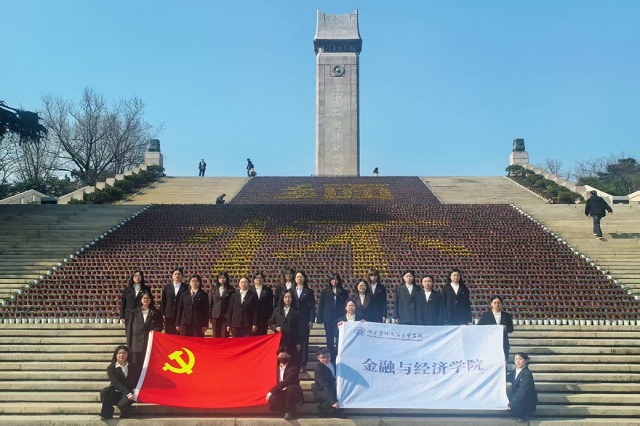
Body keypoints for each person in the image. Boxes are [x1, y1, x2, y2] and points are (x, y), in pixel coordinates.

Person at [317, 273, 349, 361]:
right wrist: (320, 319)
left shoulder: (344, 292)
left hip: (340, 318)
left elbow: (346, 305)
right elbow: (321, 305)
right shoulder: (324, 292)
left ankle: (339, 357)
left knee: (339, 339)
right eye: (332, 279)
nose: (334, 281)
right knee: (329, 340)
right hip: (328, 319)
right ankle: (330, 358)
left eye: (336, 279)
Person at [100, 345, 137, 420]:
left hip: (128, 392)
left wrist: (132, 391)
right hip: (116, 391)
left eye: (124, 353)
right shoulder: (111, 368)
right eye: (119, 353)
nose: (122, 355)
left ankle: (124, 412)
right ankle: (106, 414)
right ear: (116, 355)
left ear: (128, 354)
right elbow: (116, 383)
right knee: (105, 391)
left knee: (122, 405)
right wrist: (127, 393)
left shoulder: (133, 366)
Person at [126, 290, 163, 366]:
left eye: (148, 298)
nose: (146, 300)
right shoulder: (134, 312)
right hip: (136, 344)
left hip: (149, 343)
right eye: (144, 298)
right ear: (141, 299)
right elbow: (129, 329)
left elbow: (160, 326)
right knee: (136, 366)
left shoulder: (156, 313)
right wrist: (129, 345)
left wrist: (154, 331)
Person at [266, 347, 304, 420]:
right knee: (273, 397)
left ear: (289, 356)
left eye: (285, 356)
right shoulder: (275, 368)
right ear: (277, 356)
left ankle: (291, 411)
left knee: (290, 389)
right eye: (281, 356)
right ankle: (282, 410)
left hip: (292, 390)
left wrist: (272, 391)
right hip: (280, 390)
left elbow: (287, 381)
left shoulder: (294, 367)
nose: (283, 357)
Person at [291, 270, 315, 372]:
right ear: (295, 279)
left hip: (304, 320)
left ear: (304, 278)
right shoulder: (290, 291)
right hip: (293, 319)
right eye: (297, 277)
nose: (299, 279)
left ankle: (303, 364)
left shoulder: (309, 292)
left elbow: (312, 307)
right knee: (293, 340)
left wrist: (311, 320)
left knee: (304, 341)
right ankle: (294, 362)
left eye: (301, 277)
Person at [478, 295, 514, 362]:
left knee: (503, 362)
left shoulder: (506, 315)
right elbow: (479, 327)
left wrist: (506, 328)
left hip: (503, 343)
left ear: (501, 304)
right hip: (490, 343)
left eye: (499, 303)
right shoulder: (486, 315)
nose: (497, 304)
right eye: (495, 303)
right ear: (491, 303)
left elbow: (511, 329)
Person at [313, 347, 345, 418]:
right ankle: (322, 410)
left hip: (333, 387)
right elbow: (324, 385)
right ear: (318, 358)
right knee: (329, 403)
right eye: (323, 357)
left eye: (327, 356)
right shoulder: (319, 369)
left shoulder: (334, 364)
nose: (326, 359)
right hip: (322, 390)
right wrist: (333, 401)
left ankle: (339, 412)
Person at [270, 289, 302, 359]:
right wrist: (275, 327)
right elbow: (271, 322)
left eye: (290, 297)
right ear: (282, 298)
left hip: (292, 340)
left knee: (291, 359)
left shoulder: (296, 312)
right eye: (285, 297)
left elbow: (299, 328)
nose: (287, 299)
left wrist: (298, 342)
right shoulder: (277, 310)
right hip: (280, 339)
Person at [507, 352, 538, 421]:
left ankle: (524, 415)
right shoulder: (516, 370)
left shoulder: (527, 374)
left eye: (520, 359)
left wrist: (511, 404)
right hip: (518, 397)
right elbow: (505, 378)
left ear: (526, 360)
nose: (518, 361)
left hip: (526, 400)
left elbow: (522, 391)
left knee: (516, 407)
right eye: (516, 359)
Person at [161, 267, 188, 335]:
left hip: (181, 315)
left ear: (182, 276)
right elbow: (163, 301)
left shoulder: (186, 287)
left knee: (180, 335)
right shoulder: (167, 287)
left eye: (179, 274)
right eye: (175, 274)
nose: (177, 276)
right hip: (169, 315)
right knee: (169, 335)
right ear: (172, 276)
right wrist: (163, 313)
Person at [209, 271, 235, 337]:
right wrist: (210, 316)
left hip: (226, 316)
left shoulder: (231, 290)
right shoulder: (213, 289)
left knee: (225, 335)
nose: (222, 279)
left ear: (227, 279)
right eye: (220, 278)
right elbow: (210, 303)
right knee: (215, 335)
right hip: (215, 316)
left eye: (224, 278)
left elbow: (232, 304)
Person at [250, 271, 274, 335]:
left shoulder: (268, 290)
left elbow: (270, 305)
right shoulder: (250, 290)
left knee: (262, 335)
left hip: (263, 318)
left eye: (260, 278)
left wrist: (270, 317)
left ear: (263, 279)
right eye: (257, 278)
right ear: (254, 280)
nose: (259, 279)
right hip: (251, 318)